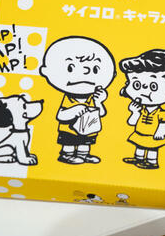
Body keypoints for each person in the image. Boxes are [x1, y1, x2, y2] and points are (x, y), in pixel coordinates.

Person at [40, 36, 116, 164]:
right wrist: (75, 110)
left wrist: (99, 102)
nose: (85, 73)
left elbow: (101, 113)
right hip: (69, 130)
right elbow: (60, 115)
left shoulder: (93, 96)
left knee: (85, 144)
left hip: (89, 129)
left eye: (94, 69)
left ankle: (83, 155)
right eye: (71, 68)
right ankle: (66, 155)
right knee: (69, 143)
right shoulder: (69, 97)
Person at [119, 49, 165, 169]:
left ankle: (151, 162)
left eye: (153, 86)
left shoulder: (162, 113)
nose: (143, 91)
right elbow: (132, 122)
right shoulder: (141, 110)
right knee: (139, 146)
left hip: (153, 136)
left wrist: (160, 132)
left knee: (152, 149)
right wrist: (134, 112)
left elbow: (163, 124)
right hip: (140, 134)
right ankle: (138, 158)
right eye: (136, 85)